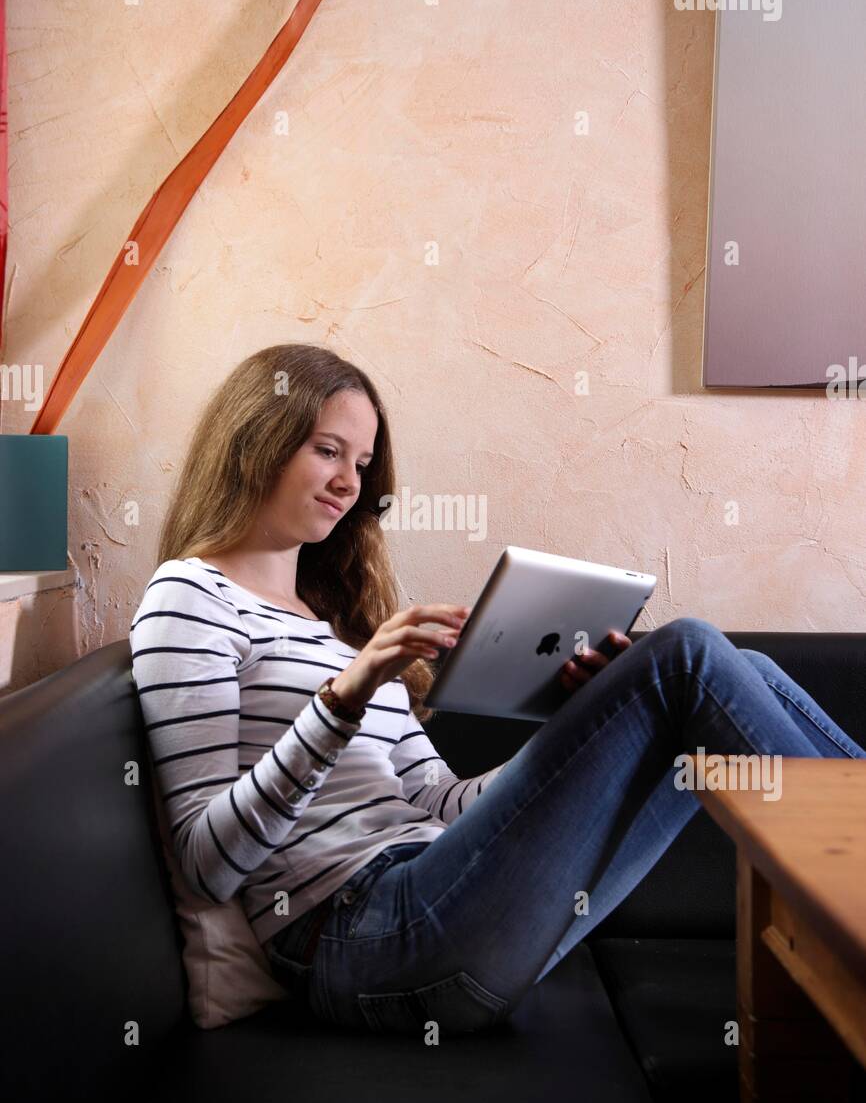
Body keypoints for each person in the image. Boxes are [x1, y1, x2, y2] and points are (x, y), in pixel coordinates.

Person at [129, 342, 866, 1037]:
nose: (350, 482)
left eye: (361, 460)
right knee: (688, 655)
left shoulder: (337, 628)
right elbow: (206, 862)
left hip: (441, 899)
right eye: (327, 450)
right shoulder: (190, 597)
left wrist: (583, 731)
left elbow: (442, 805)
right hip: (363, 938)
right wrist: (339, 703)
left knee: (746, 675)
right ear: (253, 441)